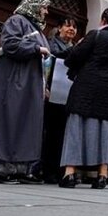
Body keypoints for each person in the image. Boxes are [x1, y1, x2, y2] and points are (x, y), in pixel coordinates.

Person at [0, 0, 51, 184]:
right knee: (9, 120)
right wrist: (36, 48)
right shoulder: (16, 20)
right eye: (43, 7)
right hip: (14, 81)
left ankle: (21, 169)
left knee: (26, 123)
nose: (46, 11)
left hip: (30, 84)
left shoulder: (37, 29)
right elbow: (9, 44)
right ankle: (2, 170)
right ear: (33, 6)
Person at [60, 8, 108, 189]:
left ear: (103, 19)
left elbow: (74, 57)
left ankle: (70, 174)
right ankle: (102, 175)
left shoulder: (95, 35)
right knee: (105, 134)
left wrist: (78, 46)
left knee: (77, 129)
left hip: (87, 90)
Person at [41, 17, 78, 184]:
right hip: (52, 94)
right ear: (59, 28)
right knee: (51, 134)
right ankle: (47, 170)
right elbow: (53, 58)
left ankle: (60, 170)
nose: (71, 29)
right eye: (68, 25)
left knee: (64, 135)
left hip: (68, 96)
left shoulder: (73, 47)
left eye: (74, 27)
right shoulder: (51, 44)